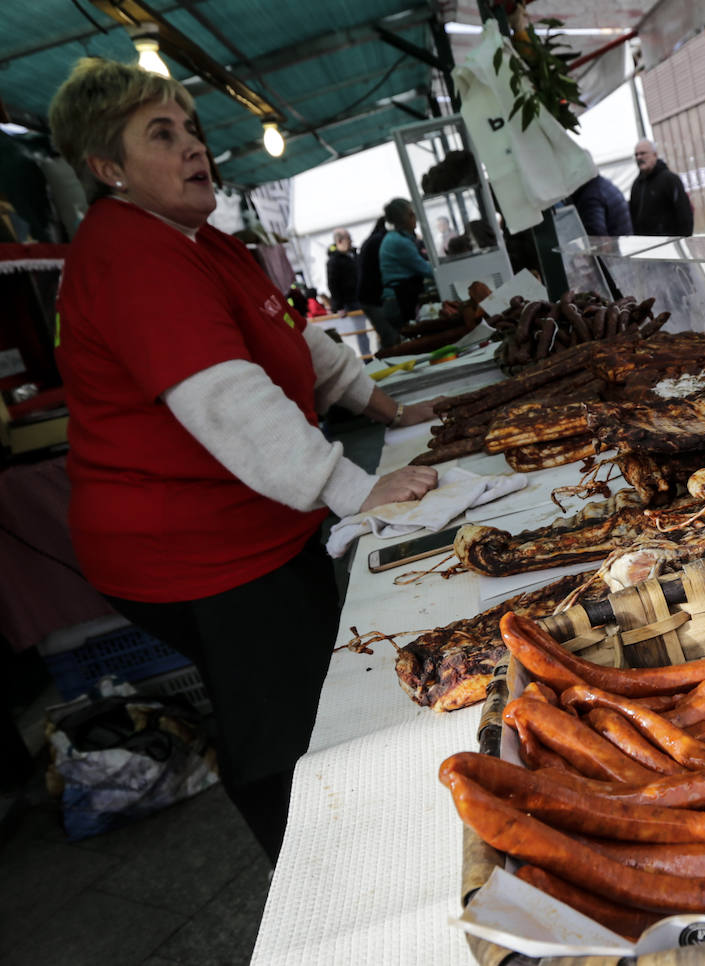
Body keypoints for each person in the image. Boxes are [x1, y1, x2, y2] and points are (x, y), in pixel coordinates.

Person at [46, 57, 442, 862]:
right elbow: (226, 396)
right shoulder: (130, 252)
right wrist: (352, 488)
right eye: (163, 134)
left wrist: (389, 407)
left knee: (311, 685)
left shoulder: (208, 245)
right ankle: (331, 873)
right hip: (195, 548)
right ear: (106, 168)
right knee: (281, 722)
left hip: (254, 522)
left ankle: (361, 826)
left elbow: (295, 337)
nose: (196, 147)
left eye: (192, 129)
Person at [378, 196, 434, 339]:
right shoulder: (399, 241)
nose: (414, 217)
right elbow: (426, 270)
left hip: (398, 299)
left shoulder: (395, 238)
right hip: (399, 301)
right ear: (403, 218)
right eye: (411, 214)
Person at [629, 140, 693, 236]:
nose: (639, 157)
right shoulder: (637, 184)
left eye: (643, 153)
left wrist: (683, 240)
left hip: (668, 244)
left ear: (655, 155)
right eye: (636, 155)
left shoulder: (670, 180)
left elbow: (685, 215)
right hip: (645, 244)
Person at [356, 214, 400, 351]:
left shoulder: (372, 240)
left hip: (369, 296)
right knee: (391, 338)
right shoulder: (382, 241)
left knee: (389, 336)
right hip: (374, 297)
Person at [325, 228, 360, 312]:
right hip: (350, 302)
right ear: (340, 241)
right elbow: (333, 284)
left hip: (361, 298)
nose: (351, 241)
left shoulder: (353, 255)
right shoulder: (334, 261)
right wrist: (339, 306)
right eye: (348, 238)